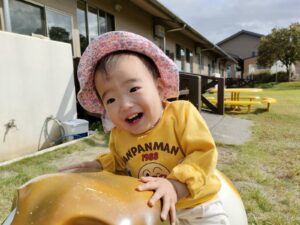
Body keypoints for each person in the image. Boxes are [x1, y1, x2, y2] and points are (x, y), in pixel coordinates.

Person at [61, 31, 230, 225]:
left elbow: (203, 152)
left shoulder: (181, 114)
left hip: (197, 205)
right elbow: (118, 161)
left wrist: (175, 185)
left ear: (158, 89)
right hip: (152, 208)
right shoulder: (119, 134)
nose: (124, 105)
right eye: (111, 99)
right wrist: (100, 166)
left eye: (133, 89)